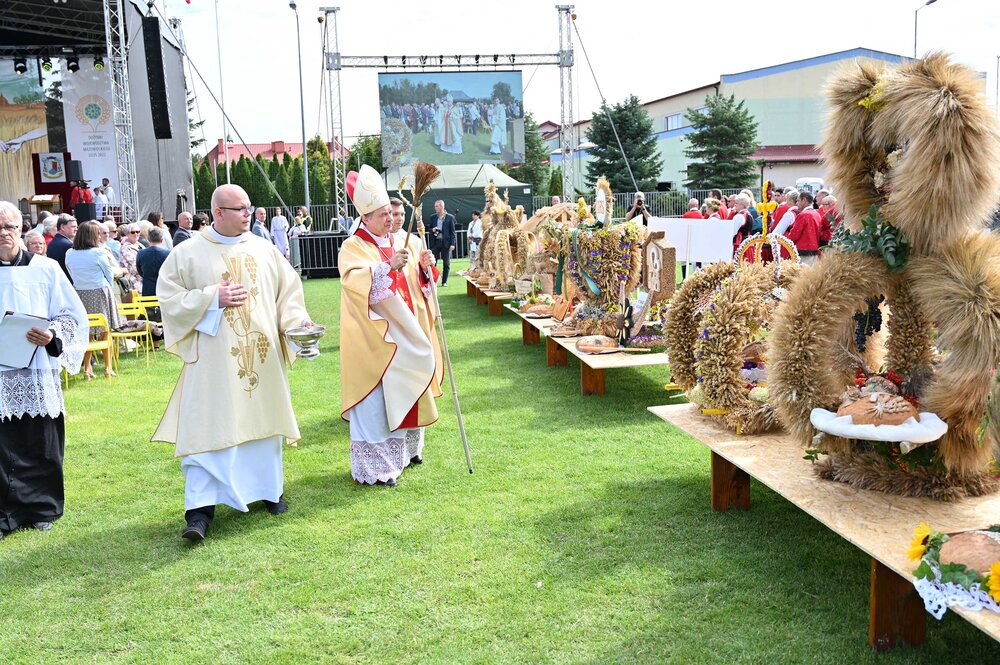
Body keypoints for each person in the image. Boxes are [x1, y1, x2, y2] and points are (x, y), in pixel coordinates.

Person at [153, 184, 312, 542]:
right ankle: (199, 511)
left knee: (264, 424)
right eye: (240, 209)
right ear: (218, 213)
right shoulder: (188, 253)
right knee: (208, 428)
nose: (247, 214)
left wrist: (299, 325)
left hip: (262, 358)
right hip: (213, 365)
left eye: (249, 207)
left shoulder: (264, 249)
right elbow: (169, 299)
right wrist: (212, 297)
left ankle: (269, 491)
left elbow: (288, 295)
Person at [339, 166, 442, 486]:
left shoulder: (403, 241)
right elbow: (355, 283)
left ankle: (409, 451)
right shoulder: (353, 247)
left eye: (390, 213)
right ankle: (378, 469)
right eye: (383, 214)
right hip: (375, 338)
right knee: (376, 405)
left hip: (408, 334)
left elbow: (420, 286)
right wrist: (386, 267)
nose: (389, 219)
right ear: (365, 217)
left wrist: (425, 268)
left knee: (411, 385)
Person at [0, 200, 88, 541]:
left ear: (21, 229)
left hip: (36, 368)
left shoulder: (46, 269)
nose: (4, 234)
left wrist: (52, 335)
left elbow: (71, 315)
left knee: (40, 440)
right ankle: (4, 513)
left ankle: (40, 507)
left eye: (9, 227)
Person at [65, 221, 118, 379]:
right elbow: (109, 274)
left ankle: (87, 369)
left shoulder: (70, 253)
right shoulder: (98, 253)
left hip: (80, 293)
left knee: (85, 331)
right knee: (104, 331)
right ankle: (108, 368)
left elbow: (70, 271)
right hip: (99, 290)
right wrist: (107, 287)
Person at [785, 192, 823, 264]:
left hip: (803, 252)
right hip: (814, 251)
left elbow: (794, 235)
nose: (797, 203)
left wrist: (786, 240)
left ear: (804, 200)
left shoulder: (803, 215)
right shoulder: (817, 214)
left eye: (798, 200)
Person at [428, 200, 456, 287]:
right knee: (432, 263)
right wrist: (432, 229)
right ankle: (433, 281)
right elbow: (428, 229)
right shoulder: (432, 217)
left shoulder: (450, 217)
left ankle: (444, 282)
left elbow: (453, 232)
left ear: (442, 207)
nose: (435, 208)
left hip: (446, 243)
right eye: (435, 206)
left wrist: (452, 244)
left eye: (437, 206)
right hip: (435, 243)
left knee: (446, 264)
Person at [136, 227, 170, 297]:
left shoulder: (141, 253)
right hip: (165, 289)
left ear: (148, 239)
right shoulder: (169, 253)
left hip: (148, 290)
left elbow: (140, 271)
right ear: (162, 239)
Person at [47, 214, 77, 281]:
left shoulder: (53, 242)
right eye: (73, 227)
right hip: (66, 281)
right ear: (63, 227)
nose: (76, 229)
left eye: (76, 227)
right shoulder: (68, 245)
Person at [118, 223, 143, 296]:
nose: (136, 234)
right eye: (133, 232)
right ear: (127, 234)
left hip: (141, 279)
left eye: (138, 232)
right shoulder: (126, 247)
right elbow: (134, 265)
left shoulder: (139, 245)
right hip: (133, 280)